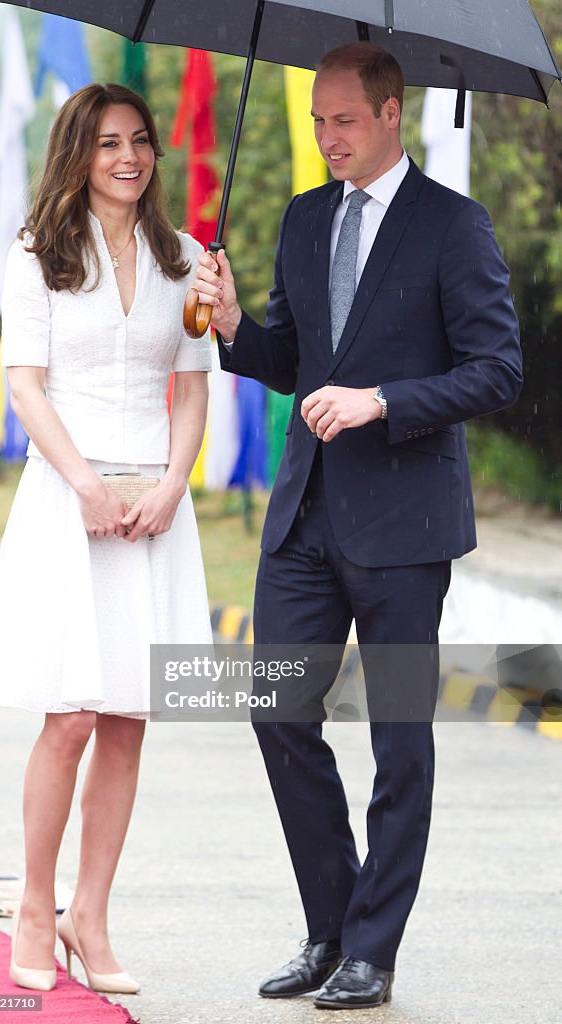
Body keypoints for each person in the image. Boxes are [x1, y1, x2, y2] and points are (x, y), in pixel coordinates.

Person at [191, 43, 522, 1010]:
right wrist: (230, 326)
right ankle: (332, 929)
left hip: (406, 527)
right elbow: (289, 358)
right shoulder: (302, 218)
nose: (326, 138)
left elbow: (495, 370)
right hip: (304, 518)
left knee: (398, 740)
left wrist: (383, 400)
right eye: (316, 122)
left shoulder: (455, 227)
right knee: (278, 713)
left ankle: (375, 950)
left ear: (388, 112)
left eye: (341, 120)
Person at [0, 83, 213, 994]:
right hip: (66, 497)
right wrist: (83, 483)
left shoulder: (188, 259)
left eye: (142, 141)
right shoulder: (34, 255)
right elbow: (25, 385)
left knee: (126, 717)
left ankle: (91, 916)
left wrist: (169, 487)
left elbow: (190, 391)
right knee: (69, 715)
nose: (130, 156)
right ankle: (35, 908)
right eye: (109, 141)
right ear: (77, 151)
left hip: (152, 505)